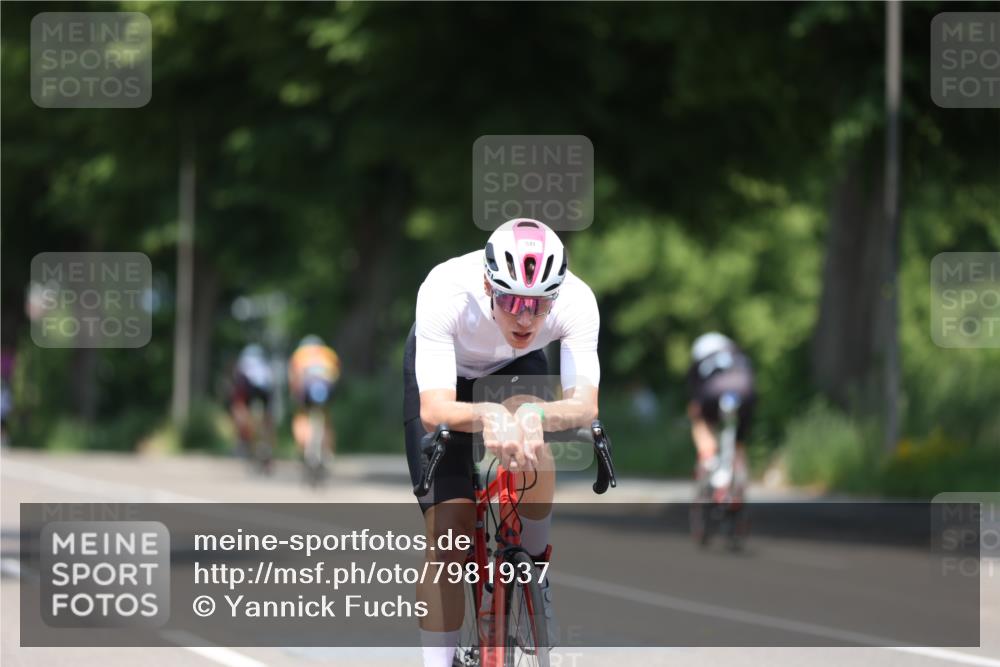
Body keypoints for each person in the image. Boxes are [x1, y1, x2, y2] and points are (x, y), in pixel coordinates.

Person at [403, 218, 600, 667]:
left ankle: (535, 567)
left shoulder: (577, 300)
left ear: (556, 295)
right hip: (445, 374)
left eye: (539, 304)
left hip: (515, 366)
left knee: (533, 443)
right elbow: (435, 409)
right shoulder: (445, 290)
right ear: (488, 286)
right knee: (449, 537)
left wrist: (535, 416)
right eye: (512, 301)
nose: (525, 317)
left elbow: (584, 404)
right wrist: (488, 414)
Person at [686, 332, 756, 497]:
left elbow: (695, 398)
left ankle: (708, 457)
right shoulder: (738, 355)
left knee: (700, 420)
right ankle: (738, 472)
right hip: (745, 392)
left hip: (714, 392)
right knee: (738, 439)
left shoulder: (701, 361)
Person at [287, 334, 341, 461]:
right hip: (326, 385)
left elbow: (294, 376)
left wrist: (294, 394)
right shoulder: (329, 353)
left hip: (307, 384)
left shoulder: (300, 353)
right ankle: (327, 451)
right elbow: (336, 374)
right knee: (325, 416)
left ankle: (304, 447)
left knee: (302, 415)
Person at [229, 344, 276, 468]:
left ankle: (243, 440)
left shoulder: (243, 363)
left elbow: (238, 388)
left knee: (239, 409)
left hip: (248, 390)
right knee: (267, 419)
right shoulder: (265, 364)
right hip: (265, 391)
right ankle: (267, 445)